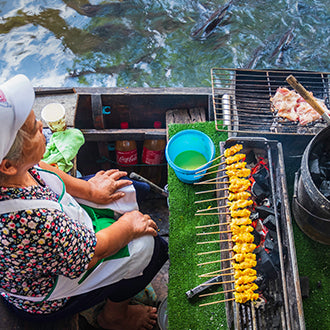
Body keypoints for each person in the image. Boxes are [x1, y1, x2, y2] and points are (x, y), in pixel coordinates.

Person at [0, 74, 168, 329]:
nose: (44, 129)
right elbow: (87, 254)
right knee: (152, 247)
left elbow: (41, 167)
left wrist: (90, 191)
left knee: (131, 189)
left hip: (62, 233)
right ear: (8, 165)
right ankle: (113, 317)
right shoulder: (29, 222)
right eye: (36, 130)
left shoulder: (14, 170)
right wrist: (127, 228)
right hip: (50, 290)